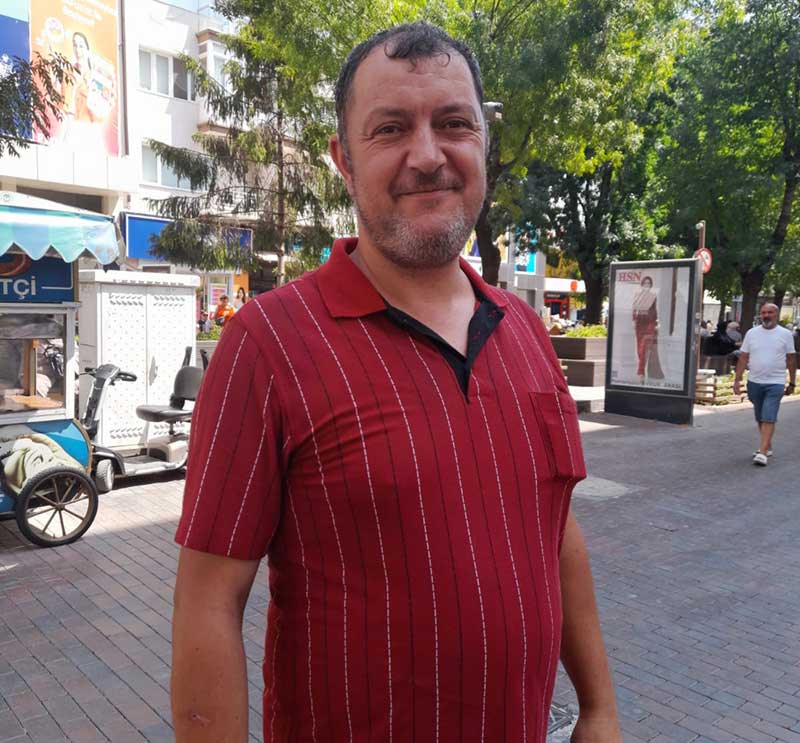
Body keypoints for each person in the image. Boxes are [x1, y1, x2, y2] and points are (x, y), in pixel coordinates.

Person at [171, 22, 621, 743]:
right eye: (390, 129)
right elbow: (208, 603)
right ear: (344, 161)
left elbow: (553, 526)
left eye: (454, 123)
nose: (428, 154)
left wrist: (598, 707)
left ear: (483, 144)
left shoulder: (526, 332)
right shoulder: (269, 343)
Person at [733, 303, 797, 466]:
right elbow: (743, 357)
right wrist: (737, 379)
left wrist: (792, 382)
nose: (766, 315)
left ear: (777, 314)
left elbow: (791, 359)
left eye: (770, 312)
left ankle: (762, 453)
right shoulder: (752, 333)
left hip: (775, 382)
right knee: (760, 416)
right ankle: (767, 446)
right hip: (754, 381)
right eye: (763, 312)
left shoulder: (785, 334)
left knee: (769, 415)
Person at [631, 275, 664, 383]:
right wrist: (634, 320)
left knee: (644, 348)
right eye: (645, 283)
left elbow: (654, 310)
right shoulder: (637, 295)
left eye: (648, 283)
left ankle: (641, 373)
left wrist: (656, 322)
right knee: (639, 349)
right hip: (640, 324)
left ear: (651, 285)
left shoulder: (653, 296)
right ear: (642, 284)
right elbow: (634, 308)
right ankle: (642, 371)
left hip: (650, 323)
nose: (647, 285)